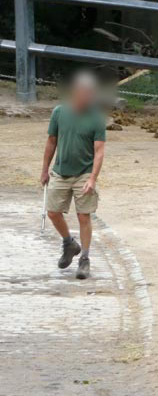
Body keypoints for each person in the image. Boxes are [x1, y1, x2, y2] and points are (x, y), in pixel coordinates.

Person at [40, 71, 106, 280]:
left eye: (91, 93)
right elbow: (51, 142)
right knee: (52, 212)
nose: (88, 97)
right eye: (84, 93)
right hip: (60, 171)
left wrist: (92, 178)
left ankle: (84, 259)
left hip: (84, 173)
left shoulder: (96, 117)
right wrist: (44, 169)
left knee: (83, 216)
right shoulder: (59, 112)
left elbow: (99, 151)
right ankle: (69, 243)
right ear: (76, 92)